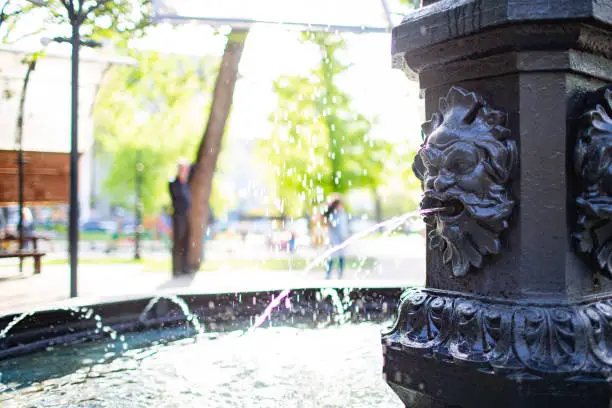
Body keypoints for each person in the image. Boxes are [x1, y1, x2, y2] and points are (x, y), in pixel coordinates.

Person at [169, 158, 192, 276]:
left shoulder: (187, 185)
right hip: (178, 216)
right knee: (178, 242)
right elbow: (177, 199)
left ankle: (184, 267)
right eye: (183, 169)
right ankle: (176, 268)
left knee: (185, 242)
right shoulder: (174, 183)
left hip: (186, 216)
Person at [324, 196, 349, 279]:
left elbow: (344, 227)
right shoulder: (334, 214)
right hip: (335, 239)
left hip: (340, 239)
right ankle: (329, 275)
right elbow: (339, 227)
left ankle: (339, 275)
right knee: (333, 257)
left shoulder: (341, 214)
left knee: (340, 257)